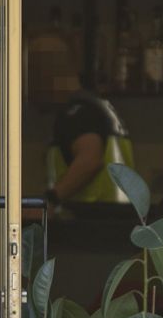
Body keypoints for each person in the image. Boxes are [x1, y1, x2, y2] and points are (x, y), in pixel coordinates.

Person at [27, 23, 134, 212]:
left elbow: (90, 160)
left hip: (88, 229)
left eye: (31, 75)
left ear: (45, 73)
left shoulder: (76, 114)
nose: (27, 87)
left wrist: (47, 202)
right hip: (117, 228)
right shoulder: (99, 107)